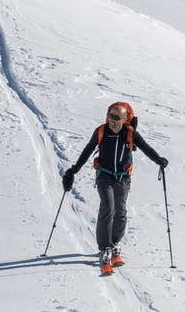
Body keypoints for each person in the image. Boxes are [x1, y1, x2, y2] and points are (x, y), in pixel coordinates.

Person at [62, 101, 169, 275]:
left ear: (125, 119)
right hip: (104, 175)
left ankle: (115, 244)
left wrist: (159, 160)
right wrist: (73, 171)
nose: (112, 120)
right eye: (110, 115)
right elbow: (87, 151)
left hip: (123, 177)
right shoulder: (101, 131)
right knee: (108, 207)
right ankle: (104, 250)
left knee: (120, 210)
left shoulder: (130, 133)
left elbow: (146, 149)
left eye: (116, 117)